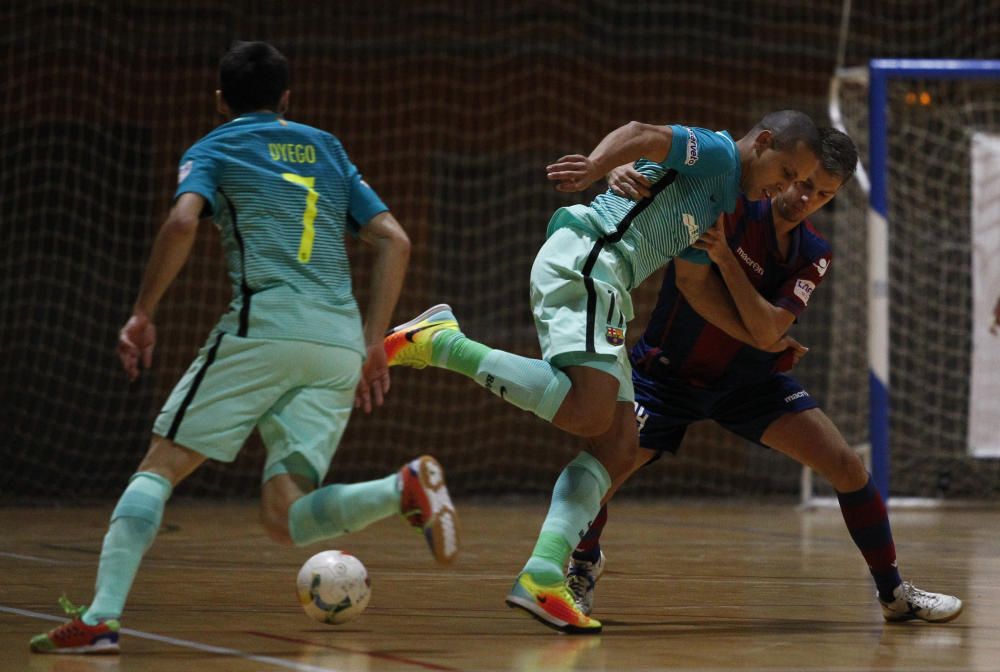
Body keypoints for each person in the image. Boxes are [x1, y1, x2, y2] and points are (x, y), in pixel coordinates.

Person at [30, 41, 459, 655]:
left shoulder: (216, 145)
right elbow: (395, 239)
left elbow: (182, 223)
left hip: (265, 328)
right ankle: (401, 489)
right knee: (284, 514)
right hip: (337, 343)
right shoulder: (327, 147)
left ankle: (101, 617)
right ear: (287, 98)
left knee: (160, 465)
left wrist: (142, 313)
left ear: (219, 99)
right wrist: (371, 341)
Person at [385, 111, 822, 633]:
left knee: (616, 444)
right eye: (789, 172)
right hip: (591, 260)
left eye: (799, 183)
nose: (787, 187)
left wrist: (761, 336)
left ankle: (542, 576)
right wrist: (597, 165)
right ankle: (441, 344)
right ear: (766, 142)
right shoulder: (721, 153)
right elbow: (644, 134)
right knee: (590, 414)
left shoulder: (722, 204)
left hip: (607, 281)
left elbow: (696, 288)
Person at [563, 127, 963, 625]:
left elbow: (768, 326)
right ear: (789, 169)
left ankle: (894, 593)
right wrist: (622, 170)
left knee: (846, 465)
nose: (805, 198)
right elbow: (655, 160)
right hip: (665, 376)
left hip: (749, 385)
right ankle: (582, 567)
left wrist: (729, 264)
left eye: (823, 194)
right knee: (599, 473)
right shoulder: (732, 196)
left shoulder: (813, 252)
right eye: (804, 182)